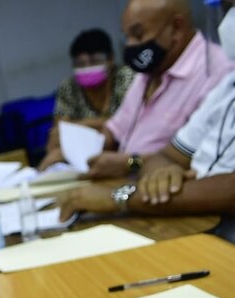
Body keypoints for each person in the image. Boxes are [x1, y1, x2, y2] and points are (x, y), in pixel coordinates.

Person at [60, 0, 235, 221]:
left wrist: (121, 194)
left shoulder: (215, 70)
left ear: (176, 27)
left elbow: (228, 189)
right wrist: (160, 175)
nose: (131, 46)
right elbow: (165, 156)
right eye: (127, 37)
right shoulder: (151, 75)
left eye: (139, 35)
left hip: (176, 206)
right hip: (161, 204)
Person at [39, 28, 135, 171]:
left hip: (125, 151)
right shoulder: (69, 87)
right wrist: (98, 125)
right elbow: (61, 129)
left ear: (110, 59)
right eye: (80, 64)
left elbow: (129, 122)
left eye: (94, 61)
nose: (87, 68)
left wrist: (81, 124)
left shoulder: (127, 78)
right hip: (82, 153)